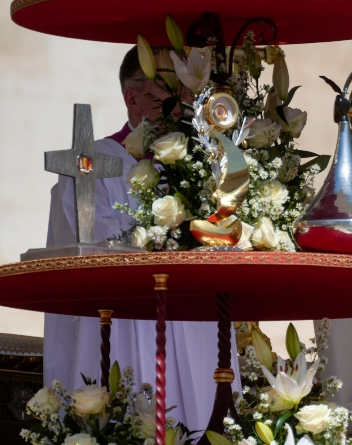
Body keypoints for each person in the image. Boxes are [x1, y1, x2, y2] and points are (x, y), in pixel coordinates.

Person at [43, 46, 237, 431]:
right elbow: (89, 241)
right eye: (168, 86)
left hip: (192, 316)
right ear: (132, 98)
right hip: (122, 315)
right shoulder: (91, 162)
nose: (182, 97)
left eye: (184, 87)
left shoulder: (200, 162)